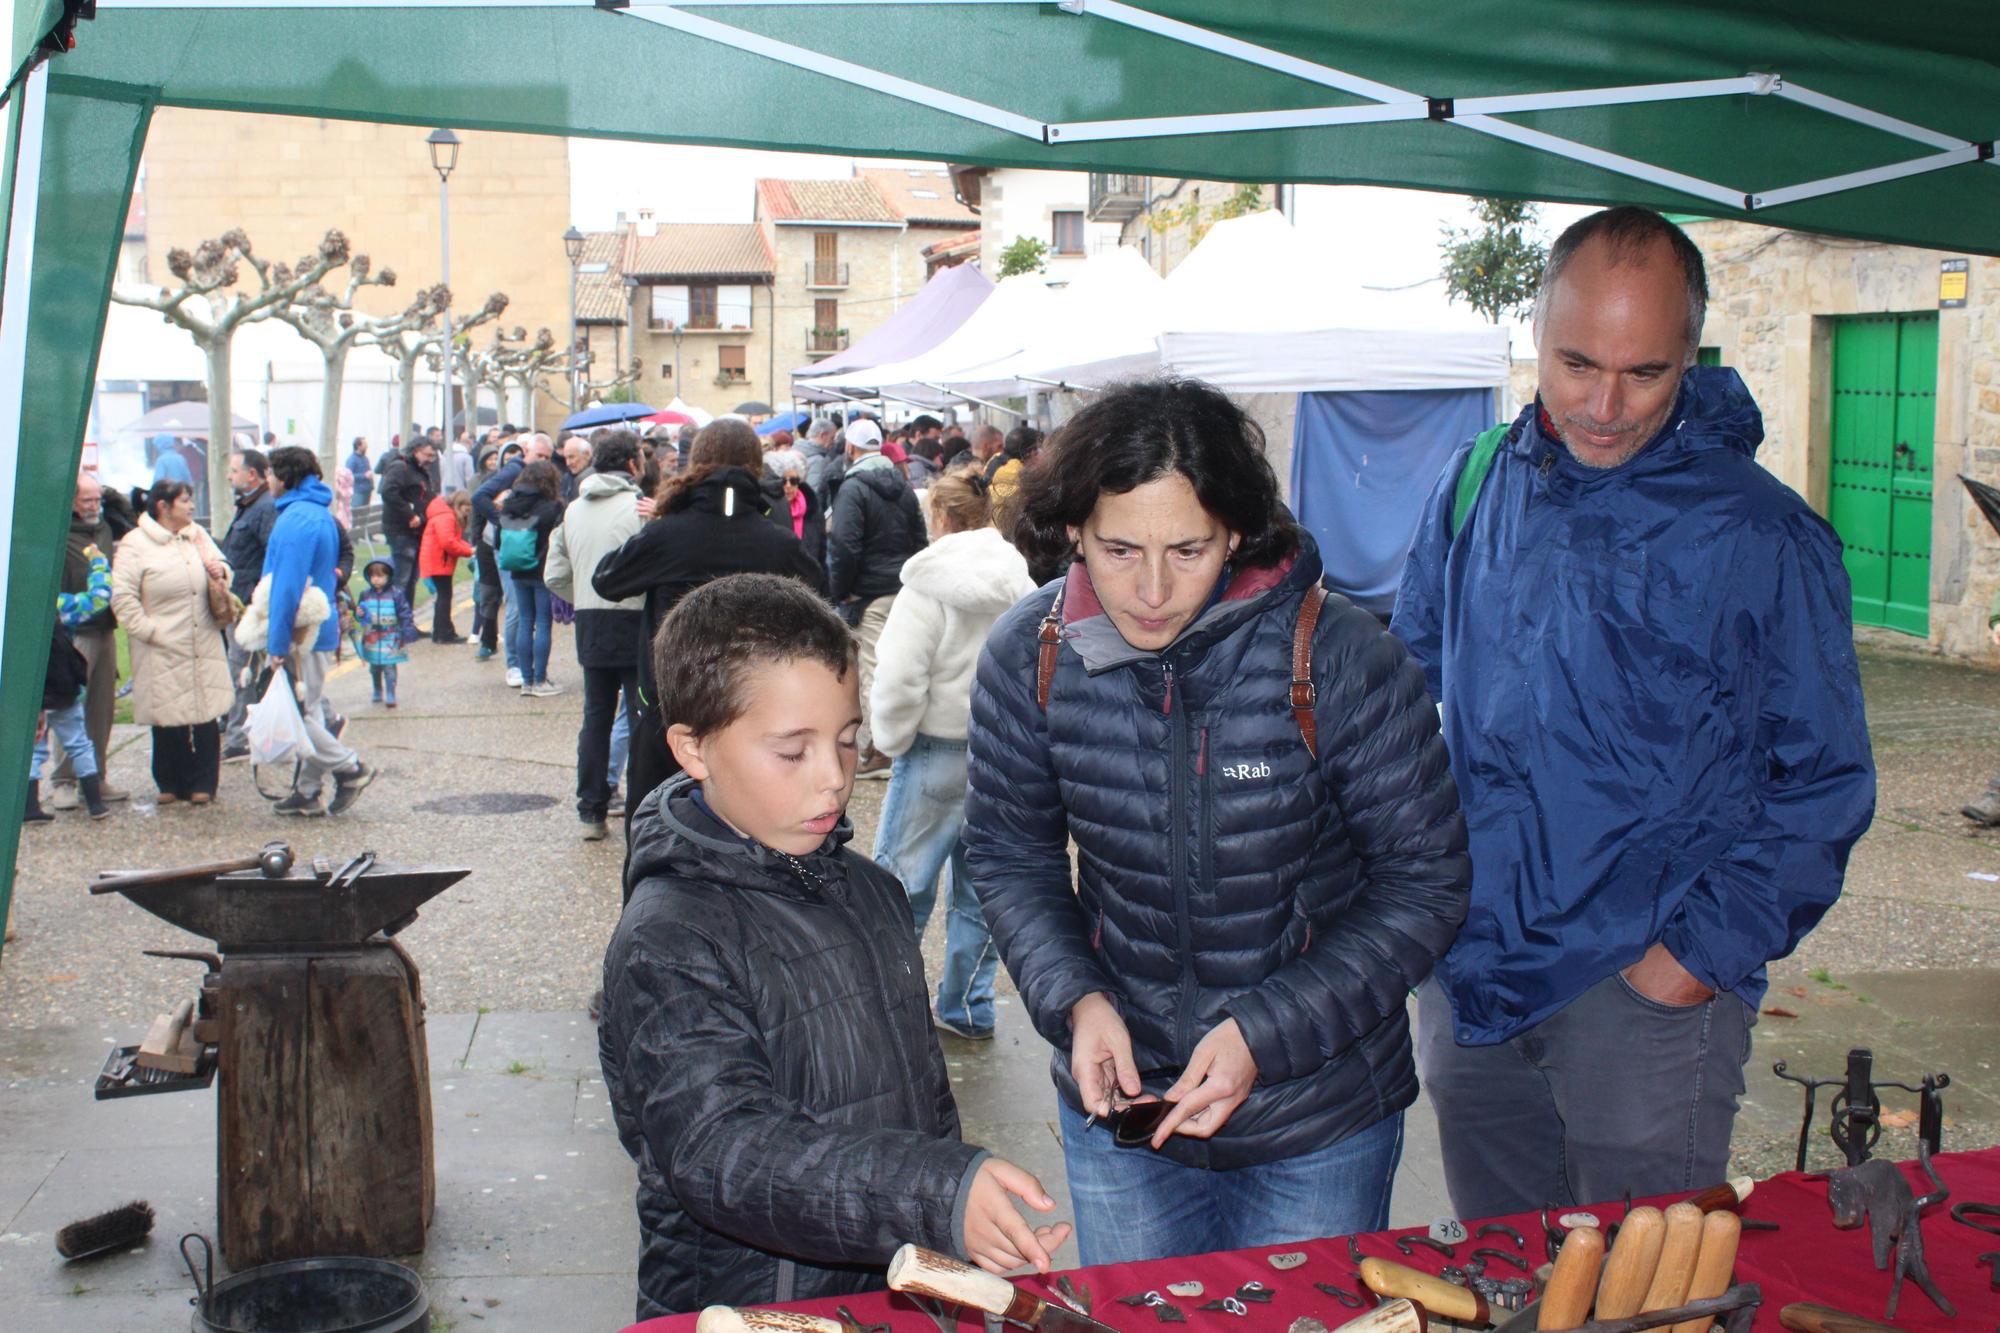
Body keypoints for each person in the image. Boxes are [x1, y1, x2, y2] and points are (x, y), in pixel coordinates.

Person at [1391, 206, 1877, 1221]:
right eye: (1576, 363)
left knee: (1640, 1295)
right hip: (1472, 973)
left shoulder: (1762, 536)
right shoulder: (1475, 480)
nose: (1603, 404)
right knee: (1505, 1277)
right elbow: (1402, 699)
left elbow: (1822, 786)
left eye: (1644, 372)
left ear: (1689, 354)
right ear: (1534, 331)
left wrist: (1689, 963)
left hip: (1641, 994)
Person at [963, 377, 1469, 1264]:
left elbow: (1425, 883)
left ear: (1236, 530)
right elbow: (1011, 855)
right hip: (1124, 1110)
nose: (1152, 589)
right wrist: (1076, 1001)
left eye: (1188, 550)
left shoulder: (1343, 657)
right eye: (1119, 549)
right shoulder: (1028, 654)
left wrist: (1261, 1035)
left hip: (1320, 1113)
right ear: (1073, 528)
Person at [598, 573, 1072, 1321]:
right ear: (692, 747)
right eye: (793, 751)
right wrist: (935, 1190)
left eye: (849, 741)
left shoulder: (873, 892)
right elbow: (724, 1152)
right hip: (746, 1306)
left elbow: (924, 1107)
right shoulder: (670, 935)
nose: (834, 778)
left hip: (890, 1290)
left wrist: (952, 1230)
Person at [593, 418, 825, 867]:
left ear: (695, 461)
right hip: (756, 714)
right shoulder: (773, 537)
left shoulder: (669, 532)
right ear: (755, 466)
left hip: (669, 712)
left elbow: (607, 580)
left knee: (655, 845)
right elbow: (820, 593)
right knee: (757, 849)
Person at [871, 474, 1035, 1041]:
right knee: (982, 887)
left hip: (936, 748)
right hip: (1002, 750)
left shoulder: (926, 585)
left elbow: (899, 674)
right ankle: (968, 1007)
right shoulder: (1021, 579)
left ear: (940, 516)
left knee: (900, 886)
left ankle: (889, 1005)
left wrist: (891, 738)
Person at [262, 446, 375, 817]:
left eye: (270, 473)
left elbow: (285, 589)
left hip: (300, 633)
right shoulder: (316, 514)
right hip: (317, 627)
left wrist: (276, 644)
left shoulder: (296, 520)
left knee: (299, 715)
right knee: (308, 709)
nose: (267, 481)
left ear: (285, 476)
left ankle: (351, 767)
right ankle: (309, 791)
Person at [546, 430, 646, 841]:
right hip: (635, 618)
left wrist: (584, 596)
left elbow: (554, 574)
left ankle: (591, 808)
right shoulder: (639, 508)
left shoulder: (572, 511)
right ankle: (643, 807)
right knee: (642, 718)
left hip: (591, 620)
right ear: (632, 464)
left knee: (595, 718)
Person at [111, 480, 235, 807]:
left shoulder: (196, 535)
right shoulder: (134, 544)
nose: (191, 506)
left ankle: (204, 783)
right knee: (168, 714)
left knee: (206, 712)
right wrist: (150, 632)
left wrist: (219, 571)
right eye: (184, 500)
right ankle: (170, 781)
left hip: (203, 637)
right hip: (161, 643)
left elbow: (224, 568)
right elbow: (123, 597)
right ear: (164, 507)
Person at [826, 416, 927, 779]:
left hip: (867, 593)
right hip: (901, 590)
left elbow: (844, 546)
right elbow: (919, 539)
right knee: (895, 666)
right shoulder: (903, 486)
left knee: (871, 671)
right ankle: (892, 744)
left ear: (851, 450)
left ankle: (878, 749)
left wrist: (841, 591)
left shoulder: (852, 489)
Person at [48, 471, 133, 807]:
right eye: (87, 500)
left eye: (98, 499)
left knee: (102, 707)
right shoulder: (59, 534)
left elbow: (127, 514)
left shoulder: (105, 525)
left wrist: (107, 497)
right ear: (71, 503)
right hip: (74, 631)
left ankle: (95, 778)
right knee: (70, 706)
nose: (95, 505)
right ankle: (64, 780)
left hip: (105, 628)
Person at [24, 544, 115, 823]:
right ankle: (96, 805)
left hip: (31, 692)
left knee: (33, 748)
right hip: (62, 687)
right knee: (79, 742)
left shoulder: (15, 608)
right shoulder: (58, 604)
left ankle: (29, 807)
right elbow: (99, 598)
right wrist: (99, 563)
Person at [474, 432, 552, 685]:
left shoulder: (533, 479)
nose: (542, 461)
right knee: (518, 609)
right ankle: (515, 665)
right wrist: (505, 524)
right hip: (510, 548)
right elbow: (479, 496)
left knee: (524, 611)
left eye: (546, 457)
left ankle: (523, 668)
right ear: (527, 451)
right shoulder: (514, 469)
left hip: (518, 548)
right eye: (539, 455)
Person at [218, 448, 277, 763]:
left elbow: (271, 557)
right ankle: (237, 726)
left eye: (234, 470)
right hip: (239, 602)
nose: (230, 476)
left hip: (250, 606)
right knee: (240, 667)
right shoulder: (249, 505)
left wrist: (259, 604)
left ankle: (239, 736)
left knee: (243, 669)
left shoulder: (264, 508)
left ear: (251, 474)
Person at [497, 459, 567, 696]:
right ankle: (540, 680)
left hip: (517, 570)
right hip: (542, 570)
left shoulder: (509, 504)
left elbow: (499, 538)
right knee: (544, 623)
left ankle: (526, 680)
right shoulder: (553, 506)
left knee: (525, 622)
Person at [379, 435, 437, 622]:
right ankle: (395, 623)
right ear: (416, 451)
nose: (430, 460)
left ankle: (406, 621)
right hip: (401, 530)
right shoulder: (400, 467)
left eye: (432, 456)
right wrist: (409, 514)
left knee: (411, 578)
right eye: (427, 455)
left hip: (416, 529)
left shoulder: (418, 470)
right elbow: (388, 492)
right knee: (402, 578)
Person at [355, 557, 417, 707]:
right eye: (373, 576)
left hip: (391, 636)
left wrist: (408, 631)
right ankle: (377, 689)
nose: (376, 579)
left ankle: (391, 692)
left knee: (389, 666)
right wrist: (359, 614)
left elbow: (404, 613)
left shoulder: (396, 594)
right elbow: (360, 615)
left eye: (380, 576)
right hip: (372, 637)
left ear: (389, 576)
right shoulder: (365, 594)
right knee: (374, 667)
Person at [418, 488, 474, 644]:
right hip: (439, 562)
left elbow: (453, 540)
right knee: (444, 597)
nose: (466, 514)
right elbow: (448, 543)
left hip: (437, 561)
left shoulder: (443, 515)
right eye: (466, 510)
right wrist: (469, 551)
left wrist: (470, 548)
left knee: (444, 597)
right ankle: (444, 633)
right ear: (458, 505)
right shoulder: (447, 517)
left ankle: (441, 631)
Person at [760, 451, 824, 569]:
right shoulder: (766, 509)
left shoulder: (812, 508)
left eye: (793, 481)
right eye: (783, 481)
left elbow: (821, 553)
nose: (788, 485)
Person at [560, 434, 592, 500]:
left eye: (571, 457)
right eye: (565, 458)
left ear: (587, 454)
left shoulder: (599, 476)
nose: (567, 463)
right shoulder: (566, 480)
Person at [345, 436, 374, 508]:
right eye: (364, 444)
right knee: (357, 513)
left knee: (366, 513)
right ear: (358, 446)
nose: (367, 446)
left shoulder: (365, 458)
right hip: (358, 492)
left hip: (367, 490)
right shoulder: (352, 460)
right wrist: (364, 476)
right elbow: (348, 475)